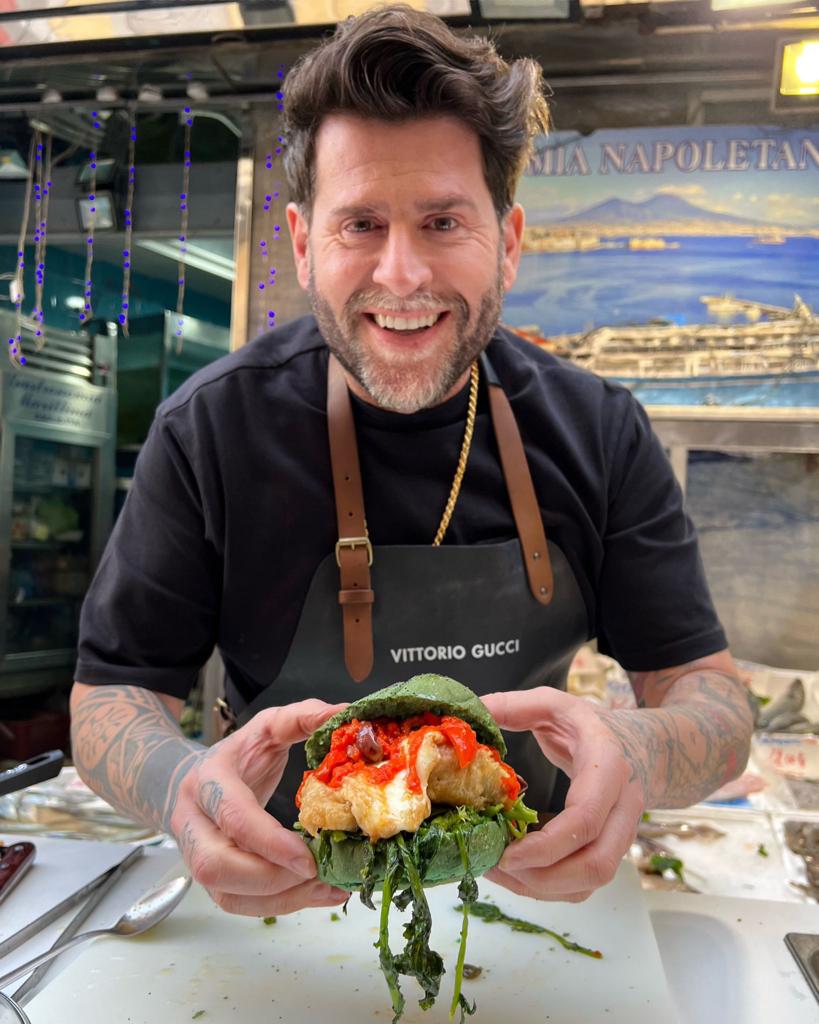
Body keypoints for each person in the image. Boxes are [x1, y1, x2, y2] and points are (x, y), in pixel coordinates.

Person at [70, 4, 754, 917]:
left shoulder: (599, 430)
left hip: (536, 892)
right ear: (302, 245)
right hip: (275, 893)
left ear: (507, 244)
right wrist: (180, 790)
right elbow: (111, 697)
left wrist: (638, 753)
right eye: (360, 225)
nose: (401, 275)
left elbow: (712, 704)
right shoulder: (209, 429)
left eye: (442, 221)